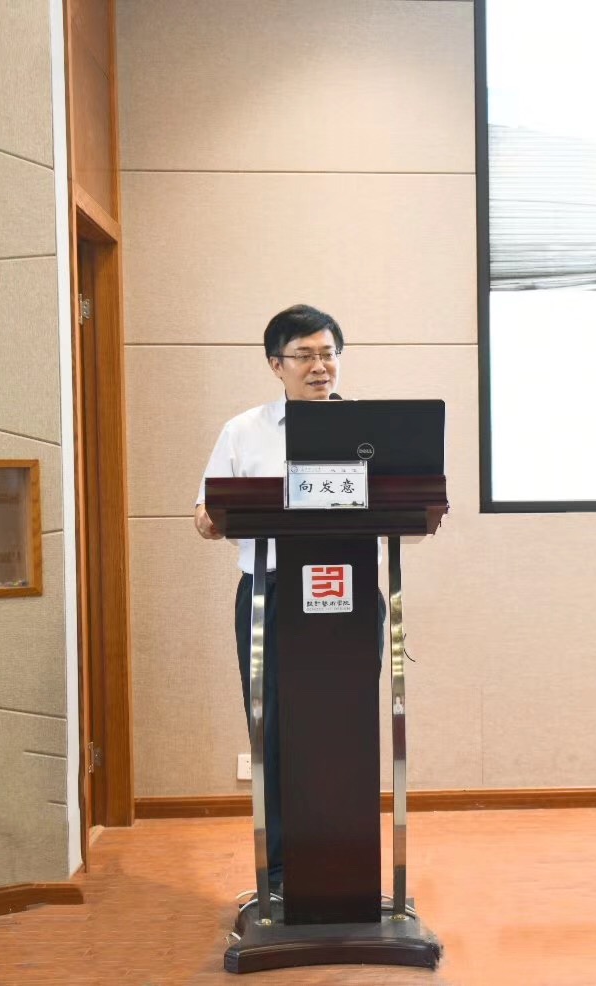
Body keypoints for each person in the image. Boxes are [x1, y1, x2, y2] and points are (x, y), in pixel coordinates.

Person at [194, 303, 359, 896]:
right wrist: (218, 517)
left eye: (328, 354)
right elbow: (204, 515)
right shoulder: (244, 431)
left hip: (348, 591)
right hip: (270, 592)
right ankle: (283, 872)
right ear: (275, 364)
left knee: (344, 728)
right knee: (274, 730)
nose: (320, 367)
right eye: (305, 355)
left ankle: (348, 864)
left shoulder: (372, 427)